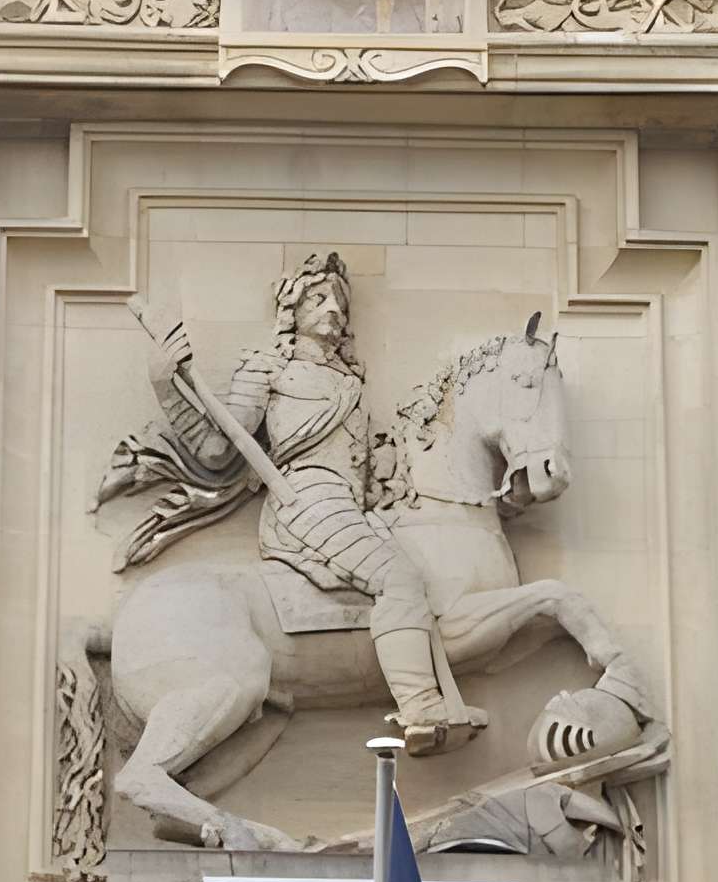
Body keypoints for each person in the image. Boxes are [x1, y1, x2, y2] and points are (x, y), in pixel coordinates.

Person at [95, 252, 479, 743]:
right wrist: (165, 382)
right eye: (317, 298)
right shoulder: (266, 369)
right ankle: (422, 711)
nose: (333, 310)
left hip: (350, 505)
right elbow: (217, 448)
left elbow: (366, 465)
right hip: (305, 501)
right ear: (291, 310)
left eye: (339, 302)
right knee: (399, 579)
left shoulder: (348, 384)